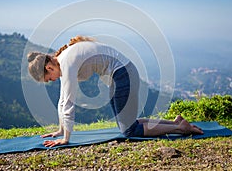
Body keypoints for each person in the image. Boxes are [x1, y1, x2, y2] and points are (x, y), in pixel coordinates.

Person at [27, 36, 203, 147]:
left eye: (49, 78)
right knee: (128, 123)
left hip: (123, 75)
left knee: (129, 131)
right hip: (121, 75)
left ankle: (181, 129)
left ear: (49, 67)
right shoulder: (65, 60)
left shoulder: (67, 62)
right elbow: (62, 99)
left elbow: (68, 101)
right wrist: (59, 130)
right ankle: (175, 122)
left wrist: (66, 138)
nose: (53, 80)